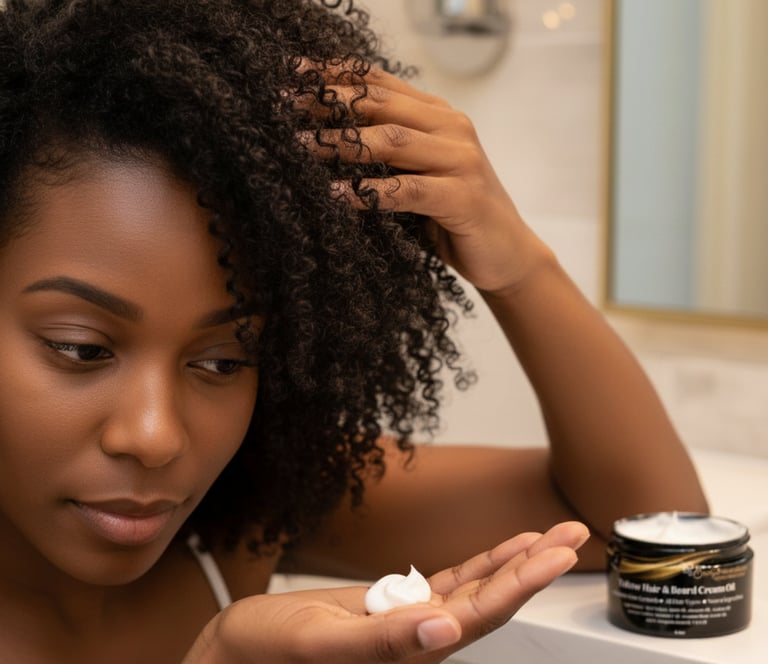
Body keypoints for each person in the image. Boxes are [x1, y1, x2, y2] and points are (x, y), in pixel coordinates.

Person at [0, 1, 708, 662]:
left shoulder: (237, 527)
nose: (156, 437)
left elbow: (648, 528)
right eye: (81, 349)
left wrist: (519, 265)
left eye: (222, 361)